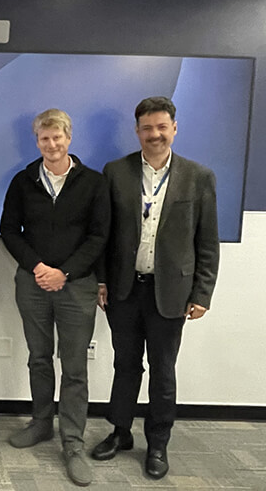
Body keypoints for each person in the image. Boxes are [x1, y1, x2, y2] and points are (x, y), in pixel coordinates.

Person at [91, 96, 220, 479]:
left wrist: (202, 294)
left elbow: (207, 241)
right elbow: (104, 233)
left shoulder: (199, 176)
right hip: (124, 288)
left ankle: (158, 443)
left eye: (162, 127)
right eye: (147, 128)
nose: (155, 134)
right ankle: (120, 432)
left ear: (174, 129)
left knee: (163, 370)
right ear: (137, 131)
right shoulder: (116, 172)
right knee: (125, 365)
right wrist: (101, 279)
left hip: (172, 293)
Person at [0, 109, 110, 486]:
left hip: (77, 285)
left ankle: (73, 443)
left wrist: (65, 272)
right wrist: (39, 268)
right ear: (37, 142)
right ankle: (42, 423)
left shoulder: (93, 183)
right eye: (44, 139)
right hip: (33, 283)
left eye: (57, 138)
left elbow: (99, 236)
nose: (51, 145)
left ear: (69, 138)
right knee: (39, 358)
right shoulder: (23, 180)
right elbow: (9, 230)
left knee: (75, 367)